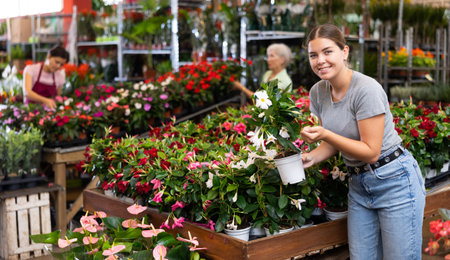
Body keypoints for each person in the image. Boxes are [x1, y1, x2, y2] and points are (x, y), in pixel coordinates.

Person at [300, 24, 425, 260]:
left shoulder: (366, 89)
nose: (320, 61)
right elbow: (333, 142)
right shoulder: (317, 92)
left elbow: (371, 151)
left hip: (395, 181)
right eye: (313, 55)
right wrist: (308, 158)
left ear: (344, 52)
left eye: (328, 52)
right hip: (358, 186)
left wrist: (325, 134)